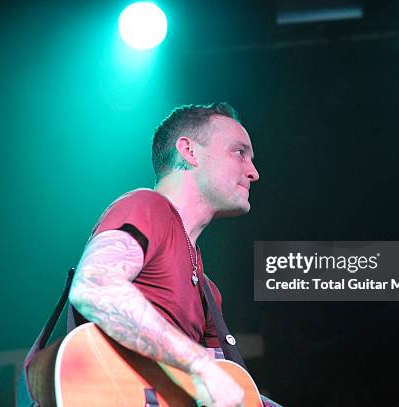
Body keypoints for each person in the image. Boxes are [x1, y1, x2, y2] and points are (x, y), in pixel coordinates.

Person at [69, 102, 262, 407]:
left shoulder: (208, 290)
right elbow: (94, 286)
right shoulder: (148, 206)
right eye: (239, 152)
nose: (253, 172)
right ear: (189, 151)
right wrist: (198, 363)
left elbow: (227, 386)